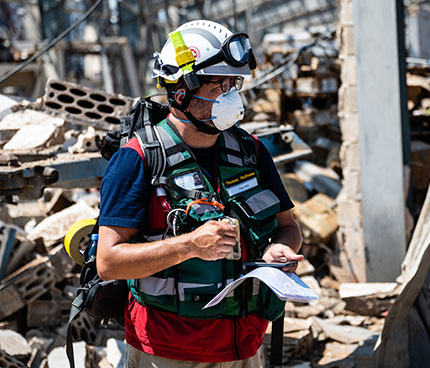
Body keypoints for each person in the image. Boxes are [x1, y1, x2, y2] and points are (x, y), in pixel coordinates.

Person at [96, 20, 303, 367]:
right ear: (181, 92)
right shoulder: (138, 158)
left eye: (233, 83)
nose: (230, 95)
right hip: (168, 350)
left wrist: (281, 249)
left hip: (245, 344)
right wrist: (190, 245)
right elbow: (109, 262)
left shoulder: (250, 150)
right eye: (217, 84)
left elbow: (289, 227)